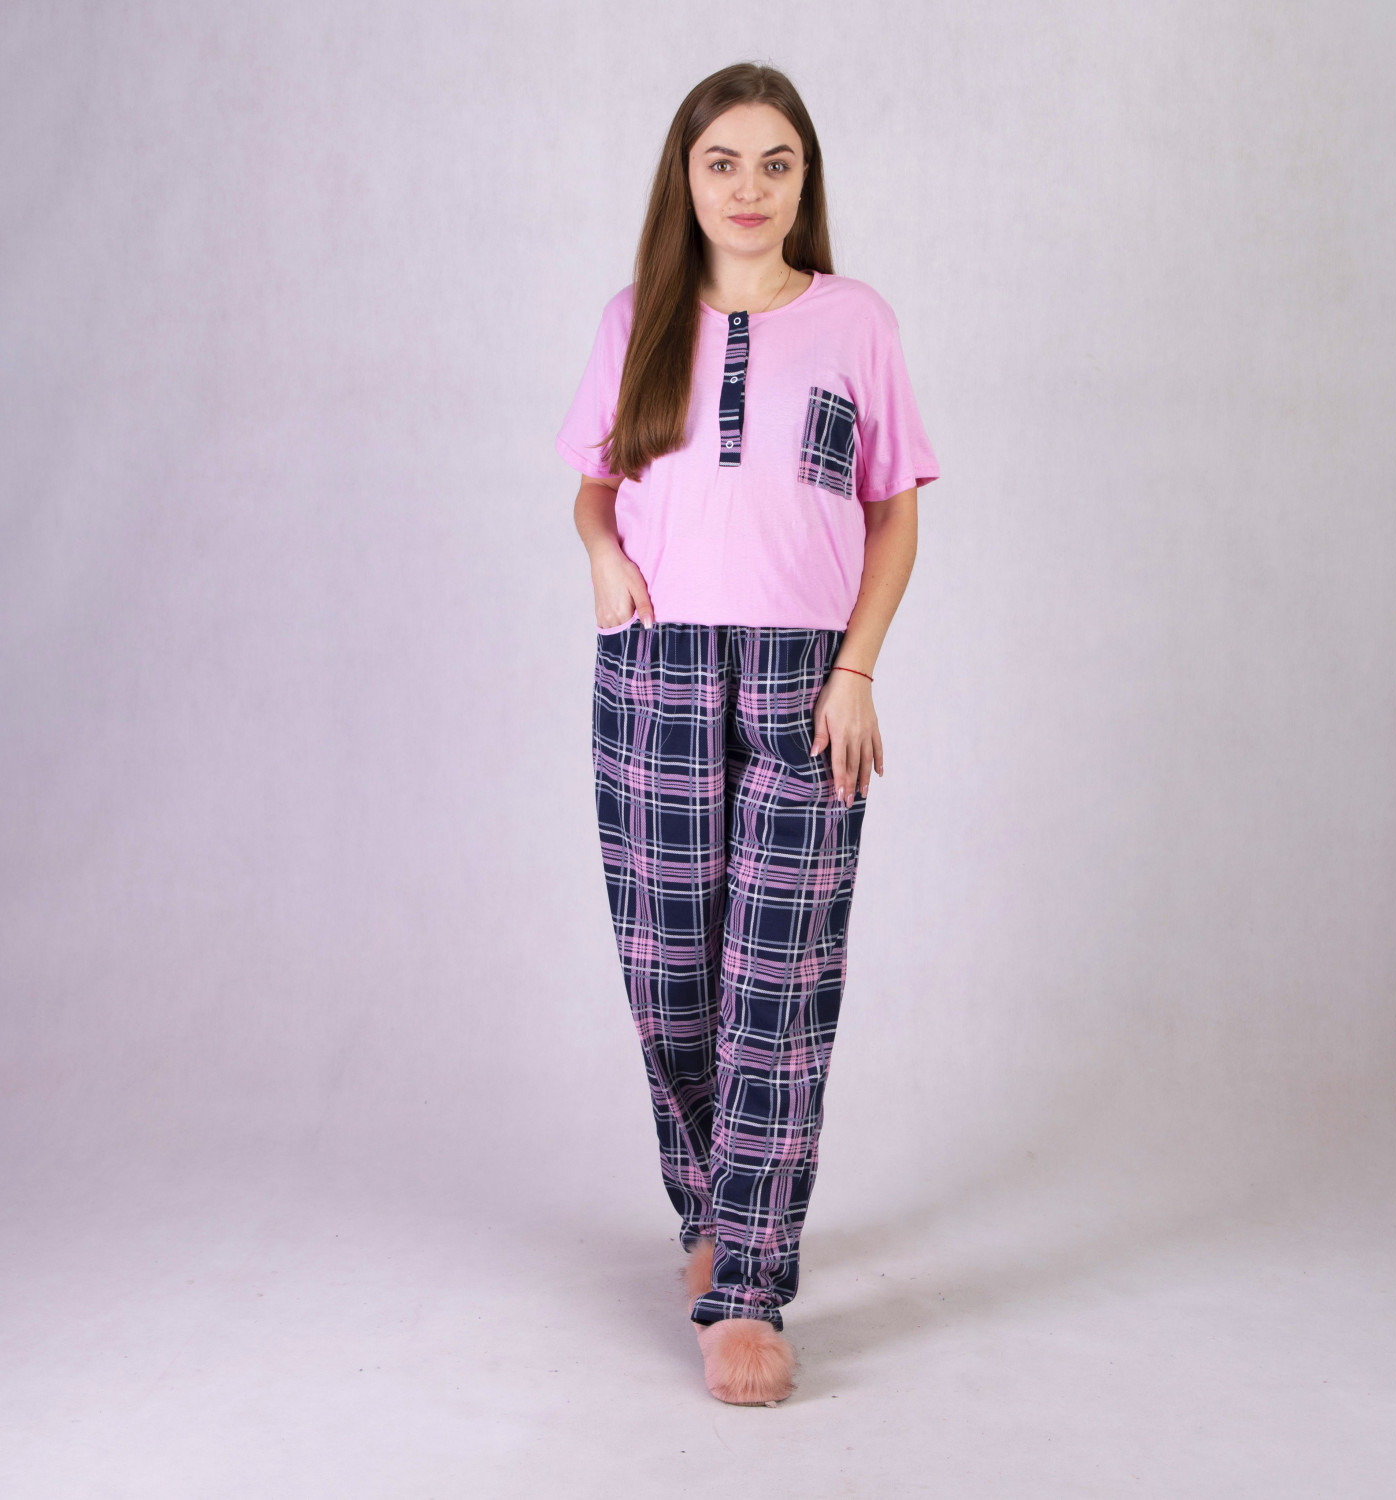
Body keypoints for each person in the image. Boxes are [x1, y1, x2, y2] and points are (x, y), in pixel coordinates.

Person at [555, 61, 940, 1406]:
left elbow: (895, 514)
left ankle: (749, 1290)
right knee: (672, 977)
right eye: (724, 161)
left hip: (806, 683)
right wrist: (603, 555)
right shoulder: (636, 320)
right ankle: (713, 1215)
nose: (750, 188)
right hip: (654, 671)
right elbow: (594, 490)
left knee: (778, 983)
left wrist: (858, 669)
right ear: (687, 177)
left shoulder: (855, 321)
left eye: (777, 163)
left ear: (804, 181)